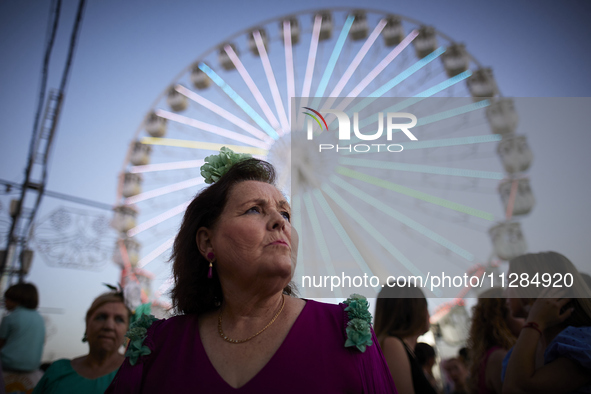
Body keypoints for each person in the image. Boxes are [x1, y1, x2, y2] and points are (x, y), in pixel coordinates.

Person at [106, 149, 397, 393]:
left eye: (285, 213)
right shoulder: (157, 348)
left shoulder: (346, 333)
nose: (279, 222)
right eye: (254, 210)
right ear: (207, 241)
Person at [502, 251, 591, 393]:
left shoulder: (582, 342)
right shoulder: (518, 351)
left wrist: (534, 321)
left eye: (510, 282)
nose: (505, 293)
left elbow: (515, 388)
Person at [33, 291, 130, 393]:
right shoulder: (58, 371)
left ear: (127, 330)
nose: (109, 326)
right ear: (87, 323)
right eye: (101, 317)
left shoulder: (135, 375)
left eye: (119, 319)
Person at [374, 282, 437, 394]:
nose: (429, 313)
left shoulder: (400, 347)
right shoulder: (392, 344)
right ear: (414, 310)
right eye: (425, 306)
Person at [466, 287, 522, 394]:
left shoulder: (490, 355)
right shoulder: (499, 357)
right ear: (500, 318)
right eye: (517, 311)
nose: (525, 316)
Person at [0, 283, 45, 393]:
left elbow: (1, 343)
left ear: (17, 300)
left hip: (7, 364)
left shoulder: (9, 318)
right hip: (32, 366)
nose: (4, 302)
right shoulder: (40, 319)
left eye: (7, 299)